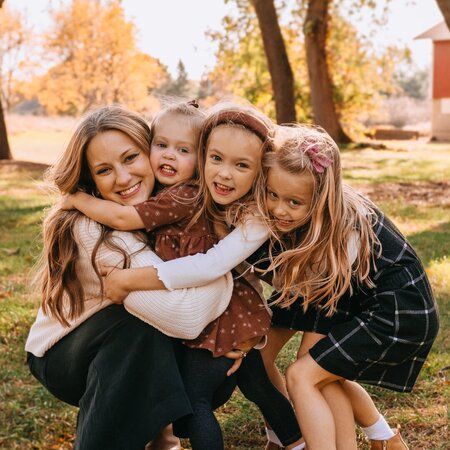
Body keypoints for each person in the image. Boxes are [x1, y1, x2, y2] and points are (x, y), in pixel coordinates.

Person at [64, 101, 303, 450]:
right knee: (258, 385)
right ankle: (296, 442)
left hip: (219, 316)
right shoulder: (182, 194)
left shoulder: (183, 195)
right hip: (231, 311)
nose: (169, 157)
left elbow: (122, 218)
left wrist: (76, 199)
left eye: (184, 150)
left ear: (199, 155)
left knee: (195, 405)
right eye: (161, 145)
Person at [25, 104, 238, 450]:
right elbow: (186, 317)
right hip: (65, 352)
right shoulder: (91, 231)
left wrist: (232, 325)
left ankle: (161, 438)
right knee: (138, 327)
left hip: (127, 344)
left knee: (203, 350)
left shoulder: (168, 206)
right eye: (104, 170)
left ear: (151, 150)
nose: (123, 179)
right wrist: (223, 273)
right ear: (89, 179)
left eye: (130, 158)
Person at [258, 124, 439, 450]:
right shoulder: (308, 218)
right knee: (271, 355)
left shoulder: (343, 232)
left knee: (306, 374)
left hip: (392, 307)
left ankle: (342, 442)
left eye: (293, 202)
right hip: (332, 288)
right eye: (273, 195)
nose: (279, 210)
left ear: (320, 198)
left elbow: (332, 296)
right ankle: (290, 436)